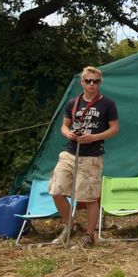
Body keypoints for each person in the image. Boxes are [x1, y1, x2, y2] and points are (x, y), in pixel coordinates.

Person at [50, 66, 119, 247]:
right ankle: (70, 225)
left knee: (88, 197)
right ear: (82, 82)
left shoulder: (108, 104)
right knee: (56, 190)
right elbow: (64, 126)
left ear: (99, 83)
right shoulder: (73, 103)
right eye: (88, 80)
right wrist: (68, 134)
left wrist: (94, 137)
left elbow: (114, 129)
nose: (91, 84)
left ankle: (89, 236)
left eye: (95, 81)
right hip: (70, 152)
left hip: (92, 156)